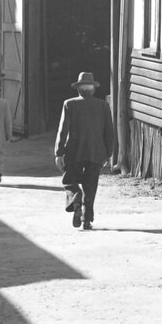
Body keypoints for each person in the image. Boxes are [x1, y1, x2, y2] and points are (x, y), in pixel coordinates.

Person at [55, 71, 116, 231]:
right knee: (90, 186)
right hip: (96, 152)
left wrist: (59, 152)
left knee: (69, 180)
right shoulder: (103, 106)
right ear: (93, 89)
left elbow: (63, 130)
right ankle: (87, 220)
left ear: (78, 89)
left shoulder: (69, 104)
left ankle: (76, 199)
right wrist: (108, 153)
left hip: (74, 151)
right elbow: (109, 132)